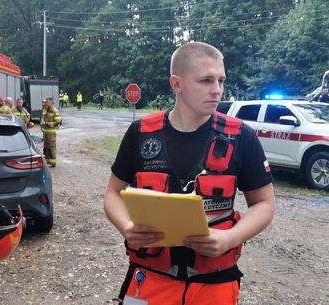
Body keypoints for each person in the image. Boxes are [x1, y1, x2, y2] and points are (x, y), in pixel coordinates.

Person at [103, 42, 275, 305]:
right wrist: (127, 227)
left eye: (221, 80)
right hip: (150, 278)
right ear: (177, 84)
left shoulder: (241, 136)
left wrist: (231, 237)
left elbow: (264, 204)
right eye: (206, 81)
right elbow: (113, 194)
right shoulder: (141, 134)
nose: (217, 90)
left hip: (214, 284)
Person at [40, 97, 62, 167]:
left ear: (51, 102)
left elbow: (57, 122)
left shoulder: (55, 110)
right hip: (45, 132)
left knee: (51, 146)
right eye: (45, 102)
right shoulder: (45, 110)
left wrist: (47, 123)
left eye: (47, 102)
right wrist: (42, 126)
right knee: (46, 146)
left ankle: (53, 162)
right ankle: (47, 160)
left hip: (51, 132)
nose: (45, 103)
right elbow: (42, 118)